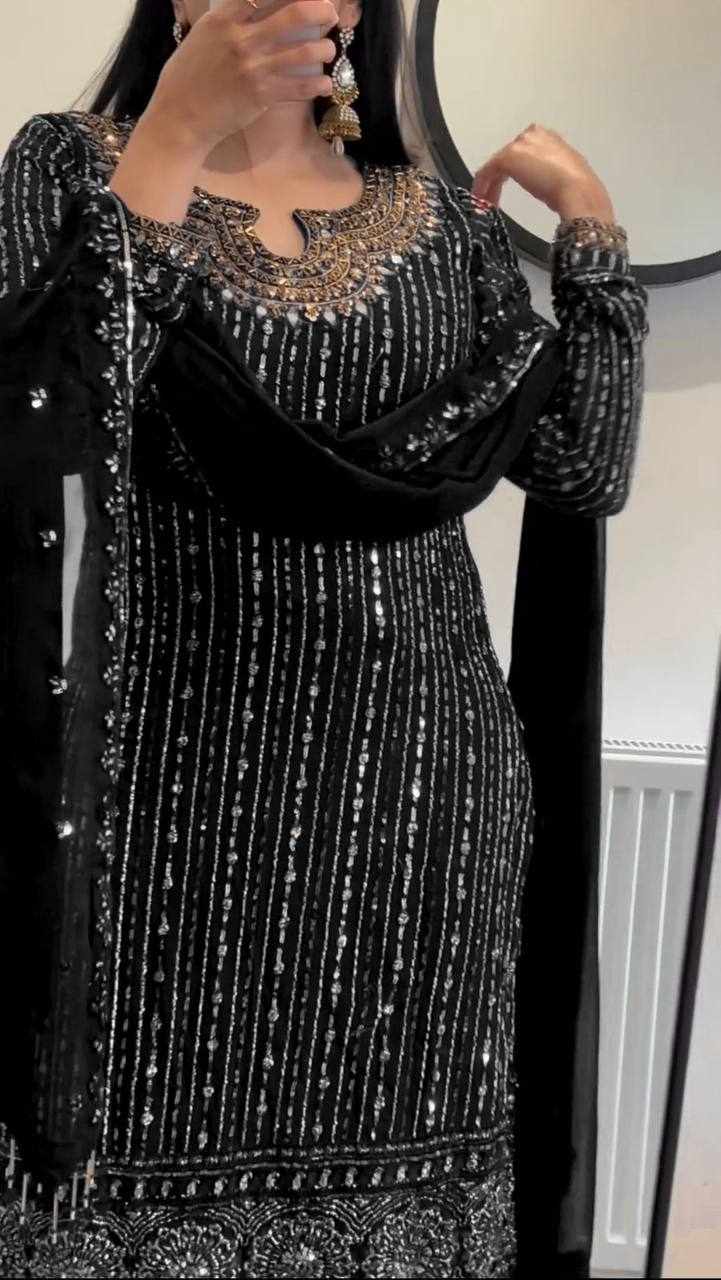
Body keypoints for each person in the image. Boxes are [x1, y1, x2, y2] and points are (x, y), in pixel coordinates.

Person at [0, 0, 649, 1275]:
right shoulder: (70, 167)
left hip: (418, 811)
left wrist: (590, 232)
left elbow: (582, 464)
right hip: (163, 803)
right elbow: (48, 430)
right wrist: (171, 138)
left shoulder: (437, 223)